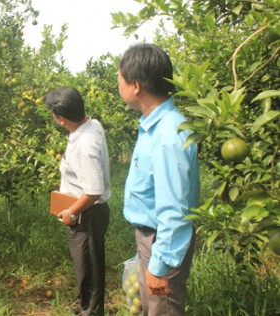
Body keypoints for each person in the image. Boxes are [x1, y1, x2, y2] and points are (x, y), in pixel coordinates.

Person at [117, 43, 200, 315]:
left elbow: (174, 210)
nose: (118, 85)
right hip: (151, 240)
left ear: (136, 86)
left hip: (160, 243)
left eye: (119, 79)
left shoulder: (167, 136)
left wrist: (160, 266)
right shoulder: (153, 125)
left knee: (161, 309)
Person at [46, 87, 111, 316]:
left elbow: (93, 191)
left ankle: (91, 311)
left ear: (61, 120)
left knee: (89, 270)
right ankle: (86, 305)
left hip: (87, 214)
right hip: (85, 212)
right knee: (84, 266)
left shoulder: (85, 145)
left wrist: (70, 212)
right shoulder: (91, 125)